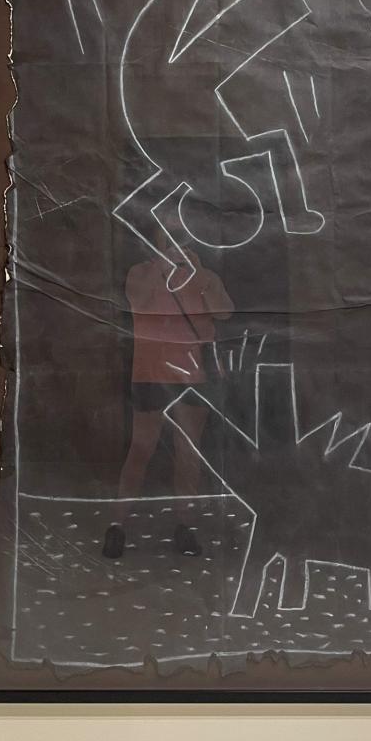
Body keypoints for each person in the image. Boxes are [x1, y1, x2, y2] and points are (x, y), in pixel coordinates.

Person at [101, 239, 234, 559]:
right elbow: (137, 302)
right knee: (141, 449)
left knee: (188, 452)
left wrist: (198, 274)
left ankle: (184, 525)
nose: (177, 249)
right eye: (169, 242)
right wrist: (161, 268)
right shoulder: (141, 272)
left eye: (182, 243)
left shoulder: (203, 276)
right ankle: (117, 525)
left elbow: (224, 312)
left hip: (193, 375)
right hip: (150, 372)